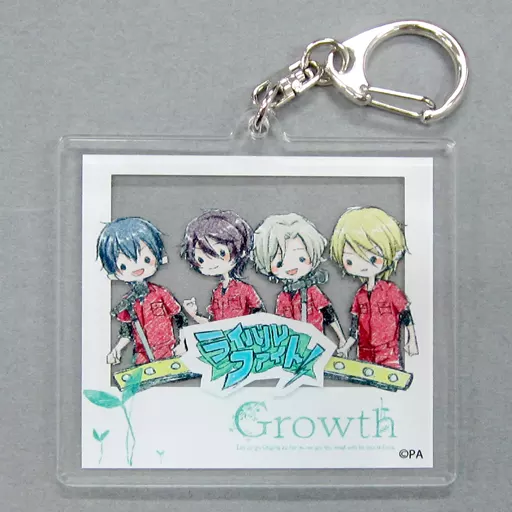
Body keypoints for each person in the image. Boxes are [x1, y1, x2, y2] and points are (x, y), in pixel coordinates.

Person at [330, 207, 419, 369]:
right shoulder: (360, 295)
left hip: (387, 352)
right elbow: (354, 329)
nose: (362, 265)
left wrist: (412, 340)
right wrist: (346, 347)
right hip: (364, 352)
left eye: (371, 257)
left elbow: (406, 315)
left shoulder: (391, 291)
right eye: (351, 260)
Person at [96, 217, 187, 366]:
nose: (136, 268)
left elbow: (180, 319)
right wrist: (117, 349)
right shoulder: (127, 303)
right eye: (123, 266)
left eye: (146, 259)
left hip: (167, 351)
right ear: (113, 273)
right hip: (141, 355)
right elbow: (127, 332)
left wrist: (184, 343)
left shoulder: (161, 294)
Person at [253, 213, 348, 346]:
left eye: (301, 259)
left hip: (315, 345)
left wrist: (341, 338)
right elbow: (280, 326)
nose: (291, 266)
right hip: (291, 348)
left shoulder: (312, 291)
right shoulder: (283, 297)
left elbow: (328, 313)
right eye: (280, 263)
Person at [181, 210, 264, 323]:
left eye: (221, 253)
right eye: (201, 260)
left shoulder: (245, 289)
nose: (212, 263)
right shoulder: (217, 293)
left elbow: (260, 314)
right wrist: (194, 315)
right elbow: (213, 324)